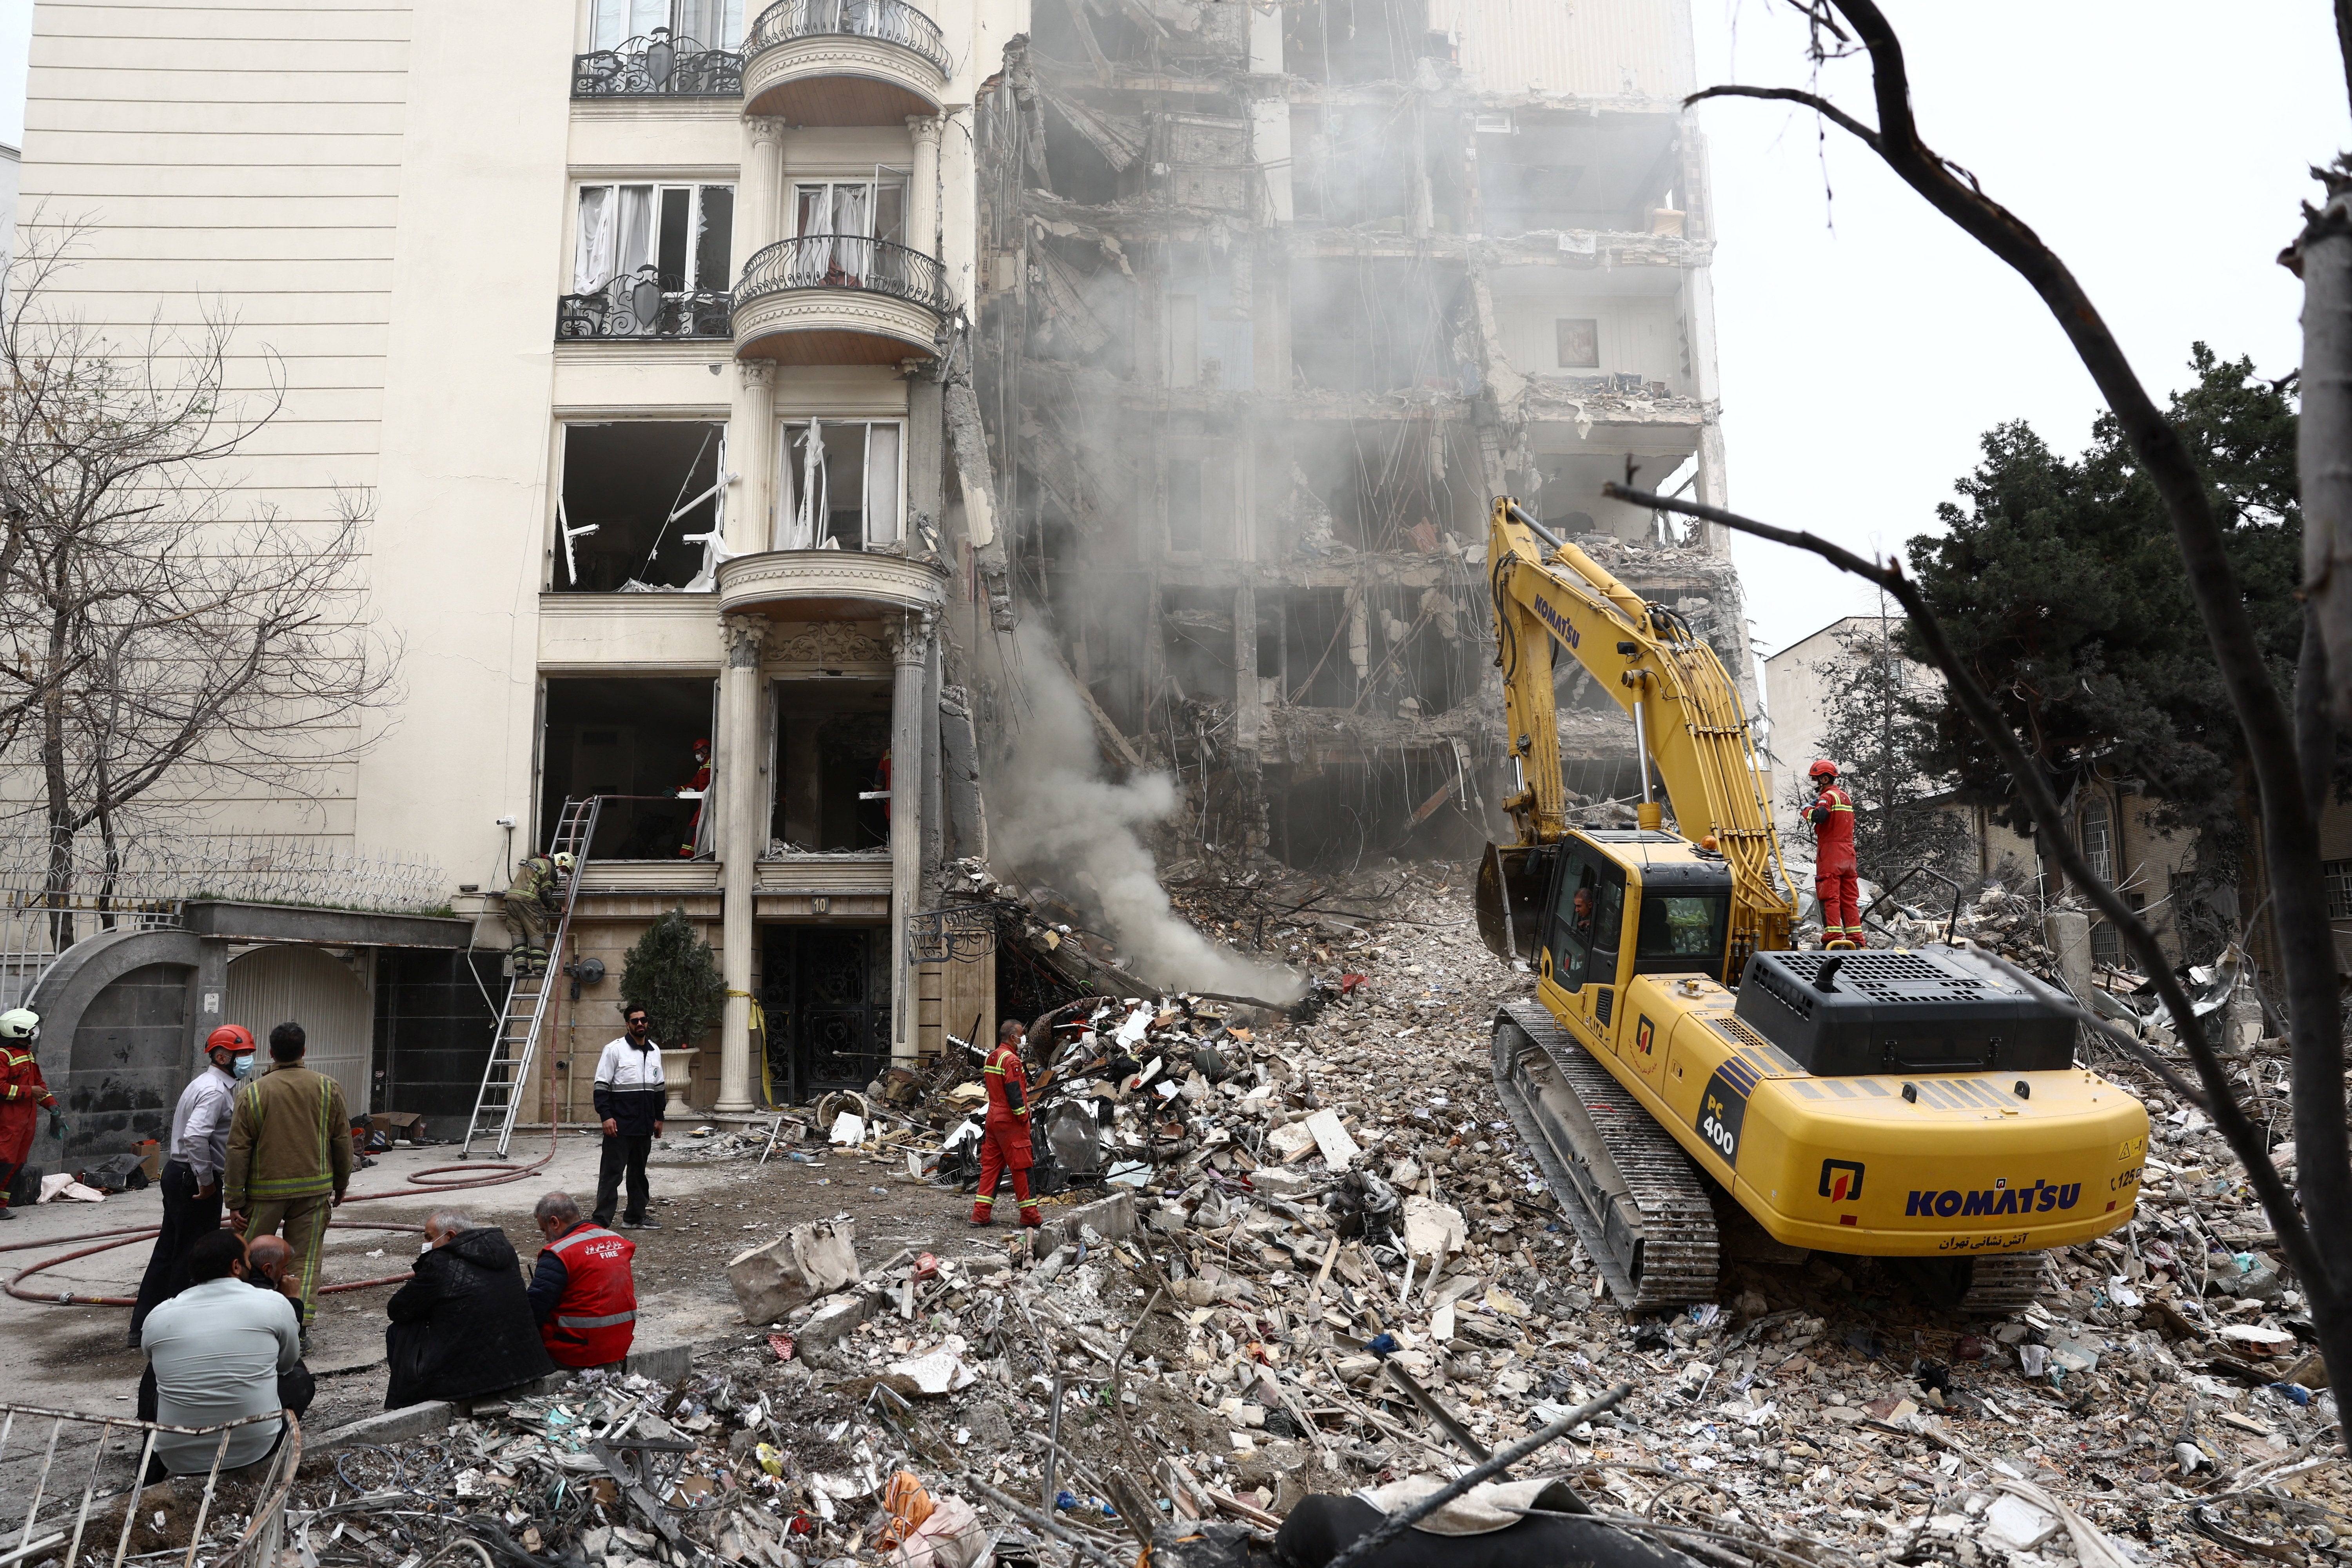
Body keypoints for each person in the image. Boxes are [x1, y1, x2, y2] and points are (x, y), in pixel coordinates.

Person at [138, 1230, 303, 1479]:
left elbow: (155, 1362)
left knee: (162, 1382)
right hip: (253, 1448)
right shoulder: (275, 1304)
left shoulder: (158, 1316)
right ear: (236, 1266)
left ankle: (150, 1472)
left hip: (176, 1455)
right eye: (248, 1259)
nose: (251, 1265)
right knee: (300, 1377)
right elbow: (286, 1364)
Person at [130, 1024, 256, 1345]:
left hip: (179, 1174)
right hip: (193, 1179)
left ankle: (144, 1325)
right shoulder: (215, 1091)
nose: (247, 1061)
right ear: (221, 1055)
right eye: (242, 1055)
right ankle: (178, 1330)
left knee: (169, 1249)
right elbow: (196, 1136)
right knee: (193, 1253)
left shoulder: (209, 1084)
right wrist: (206, 1182)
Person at [223, 1022, 352, 1336]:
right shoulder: (327, 1087)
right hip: (313, 1191)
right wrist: (341, 1182)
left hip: (263, 1194)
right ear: (304, 1052)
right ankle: (299, 1326)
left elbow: (239, 1149)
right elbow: (342, 1139)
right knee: (304, 1261)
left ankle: (248, 1322)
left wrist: (234, 1200)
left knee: (248, 1255)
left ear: (271, 1053)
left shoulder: (253, 1093)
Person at [384, 1208, 555, 1410]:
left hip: (467, 1380)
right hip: (525, 1366)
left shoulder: (440, 1263)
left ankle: (411, 1398)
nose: (426, 1244)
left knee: (398, 1332)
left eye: (429, 1238)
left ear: (450, 1236)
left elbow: (398, 1309)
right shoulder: (505, 1251)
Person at [526, 1191, 637, 1369]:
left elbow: (534, 1310)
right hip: (619, 1346)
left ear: (554, 1222)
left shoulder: (559, 1253)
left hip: (577, 1353)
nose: (546, 1238)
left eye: (544, 1230)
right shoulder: (617, 1241)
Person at [592, 1007, 665, 1230]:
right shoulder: (614, 1050)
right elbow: (601, 1087)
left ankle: (635, 1217)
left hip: (644, 1126)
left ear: (648, 1023)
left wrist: (659, 1118)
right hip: (619, 1126)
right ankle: (601, 1221)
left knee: (638, 1175)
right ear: (627, 1024)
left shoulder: (654, 1051)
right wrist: (606, 1117)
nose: (640, 1024)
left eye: (643, 1020)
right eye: (635, 1021)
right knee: (612, 1175)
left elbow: (659, 1088)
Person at [970, 1018, 1040, 1229]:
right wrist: (1023, 1118)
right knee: (1022, 1167)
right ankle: (1030, 1216)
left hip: (993, 1118)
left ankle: (980, 1215)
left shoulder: (992, 1058)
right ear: (1013, 1037)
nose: (1024, 1038)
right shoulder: (1012, 1061)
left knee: (991, 1168)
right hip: (1011, 1122)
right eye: (1022, 1034)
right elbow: (1015, 1095)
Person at [0, 1008, 65, 1221]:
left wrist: (51, 1105)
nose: (34, 1033)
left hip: (25, 1123)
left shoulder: (26, 1054)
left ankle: (2, 1205)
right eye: (31, 1030)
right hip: (7, 1122)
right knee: (4, 1163)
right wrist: (29, 1092)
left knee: (16, 1165)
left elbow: (38, 1084)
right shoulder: (3, 1055)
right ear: (19, 1031)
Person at [1806, 759, 1860, 951]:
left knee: (1830, 896)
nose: (1815, 784)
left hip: (1831, 853)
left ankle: (1834, 937)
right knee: (1849, 897)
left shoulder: (1827, 797)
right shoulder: (1845, 797)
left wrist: (1807, 810)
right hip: (1848, 853)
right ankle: (1856, 939)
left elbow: (1820, 817)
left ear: (1826, 778)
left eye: (1817, 780)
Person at [502, 851, 572, 977]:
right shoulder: (551, 870)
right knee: (536, 933)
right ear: (561, 862)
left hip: (511, 901)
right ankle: (539, 967)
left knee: (518, 934)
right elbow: (546, 897)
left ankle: (521, 967)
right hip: (528, 902)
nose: (562, 872)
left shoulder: (536, 862)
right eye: (564, 869)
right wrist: (559, 908)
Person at [677, 739, 711, 858]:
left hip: (710, 803)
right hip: (704, 803)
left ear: (705, 750)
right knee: (695, 826)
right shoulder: (702, 767)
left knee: (696, 826)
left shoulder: (713, 763)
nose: (697, 756)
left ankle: (687, 855)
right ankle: (689, 854)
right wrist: (677, 789)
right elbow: (694, 784)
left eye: (698, 753)